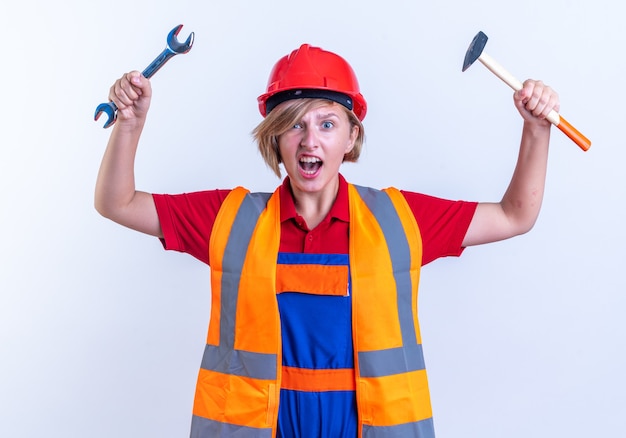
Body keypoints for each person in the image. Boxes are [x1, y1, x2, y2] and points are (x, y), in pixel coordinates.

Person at [95, 43, 559, 438]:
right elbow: (117, 203)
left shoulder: (400, 219)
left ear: (351, 136)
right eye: (294, 124)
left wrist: (537, 131)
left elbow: (515, 215)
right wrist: (129, 125)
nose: (309, 140)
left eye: (327, 124)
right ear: (275, 138)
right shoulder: (230, 218)